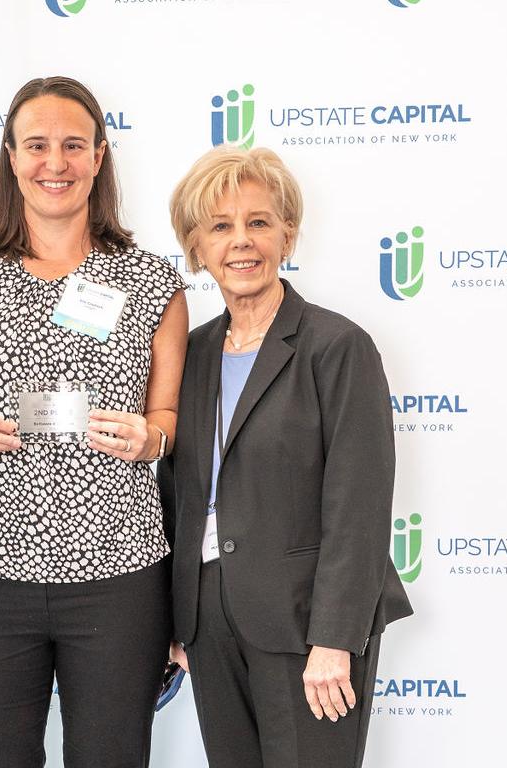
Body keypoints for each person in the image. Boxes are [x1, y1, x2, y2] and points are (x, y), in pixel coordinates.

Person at [0, 75, 188, 768]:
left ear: (99, 156)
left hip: (118, 571)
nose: (53, 163)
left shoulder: (153, 282)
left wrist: (151, 437)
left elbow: (167, 418)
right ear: (9, 154)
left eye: (71, 145)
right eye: (35, 145)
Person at [160, 145, 413, 768]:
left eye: (259, 222)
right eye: (220, 226)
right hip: (210, 621)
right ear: (196, 247)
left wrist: (334, 639)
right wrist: (178, 620)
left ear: (288, 235)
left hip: (306, 625)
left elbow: (359, 504)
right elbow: (173, 491)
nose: (241, 242)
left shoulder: (337, 347)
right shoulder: (188, 353)